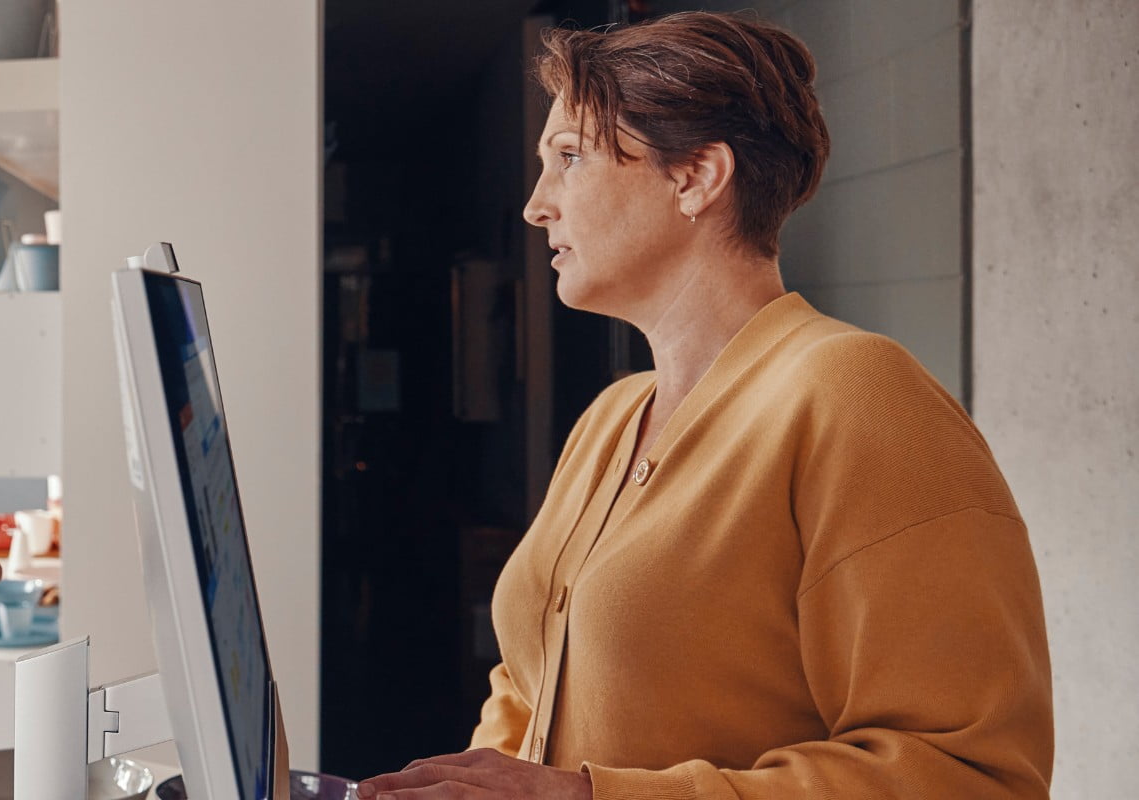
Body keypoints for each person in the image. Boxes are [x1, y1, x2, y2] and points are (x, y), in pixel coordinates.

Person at [358, 12, 1051, 800]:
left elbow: (974, 777)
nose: (536, 204)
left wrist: (594, 796)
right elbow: (527, 680)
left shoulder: (858, 396)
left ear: (695, 177)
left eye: (570, 158)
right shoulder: (610, 419)